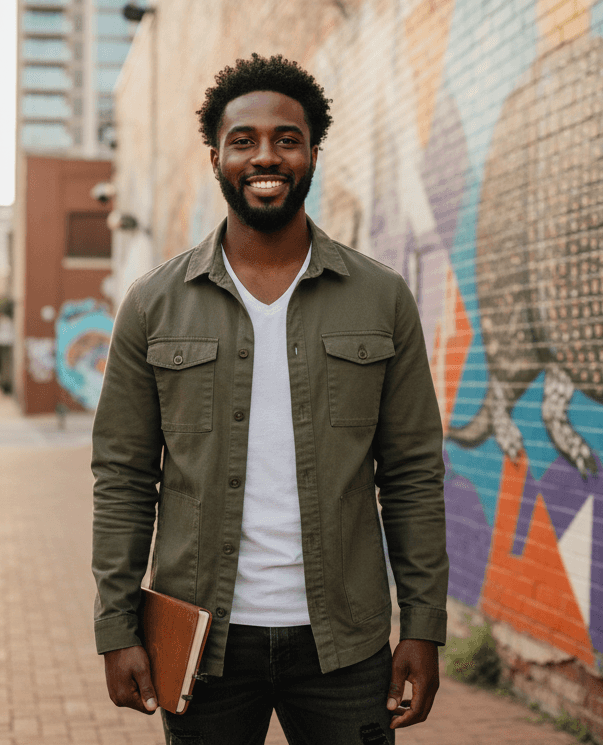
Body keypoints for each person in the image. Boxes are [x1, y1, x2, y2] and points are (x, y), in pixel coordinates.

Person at [91, 53, 449, 745]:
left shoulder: (381, 298)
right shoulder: (153, 305)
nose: (266, 156)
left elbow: (411, 474)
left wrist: (423, 624)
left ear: (313, 153)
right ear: (216, 157)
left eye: (287, 139)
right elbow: (124, 478)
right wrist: (117, 627)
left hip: (345, 643)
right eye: (243, 140)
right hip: (203, 641)